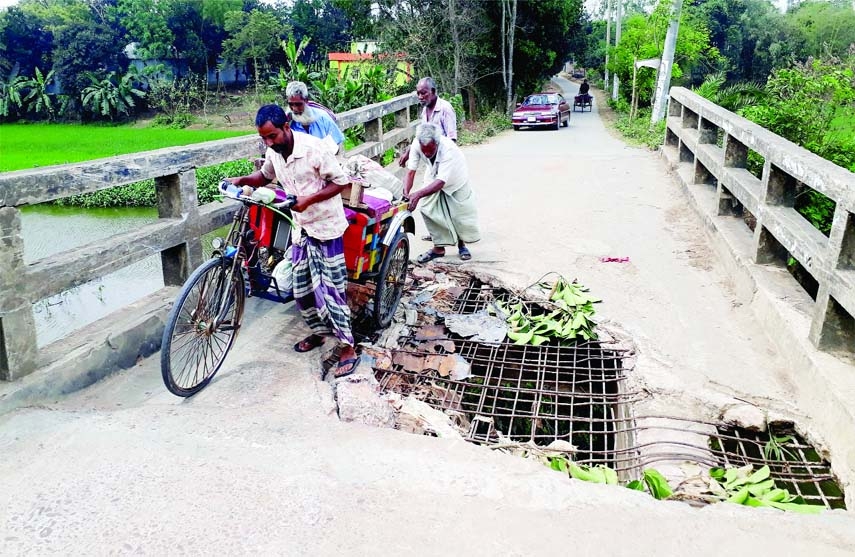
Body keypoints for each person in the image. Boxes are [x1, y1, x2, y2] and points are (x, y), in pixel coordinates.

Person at [226, 104, 359, 378]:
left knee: (331, 290)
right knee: (302, 290)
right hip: (302, 229)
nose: (268, 142)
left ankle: (348, 347)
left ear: (287, 126)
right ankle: (320, 333)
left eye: (272, 136)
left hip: (326, 227)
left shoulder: (314, 148)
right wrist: (242, 179)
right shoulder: (273, 152)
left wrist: (308, 200)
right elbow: (264, 176)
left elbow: (341, 183)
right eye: (263, 138)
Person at [404, 123, 480, 263]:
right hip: (433, 175)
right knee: (427, 209)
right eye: (424, 151)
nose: (426, 154)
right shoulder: (416, 144)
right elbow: (410, 172)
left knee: (458, 213)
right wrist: (406, 193)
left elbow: (441, 182)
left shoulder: (447, 148)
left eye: (430, 151)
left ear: (437, 143)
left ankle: (462, 245)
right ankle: (438, 248)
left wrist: (418, 194)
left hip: (455, 178)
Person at [398, 77, 457, 168]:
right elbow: (421, 136)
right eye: (418, 93)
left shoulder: (445, 109)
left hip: (444, 159)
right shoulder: (425, 110)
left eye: (423, 93)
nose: (420, 97)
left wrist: (445, 164)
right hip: (431, 160)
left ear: (432, 91)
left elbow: (452, 140)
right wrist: (408, 153)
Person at [285, 81, 345, 155]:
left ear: (306, 100)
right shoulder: (289, 123)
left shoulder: (323, 118)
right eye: (291, 104)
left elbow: (337, 144)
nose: (294, 109)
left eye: (298, 104)